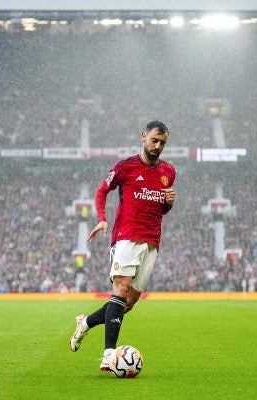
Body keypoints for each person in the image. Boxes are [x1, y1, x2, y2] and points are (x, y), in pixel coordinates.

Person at [69, 120, 176, 371]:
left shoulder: (169, 172)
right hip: (126, 236)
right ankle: (109, 355)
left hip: (152, 240)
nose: (158, 146)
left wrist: (169, 203)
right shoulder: (125, 167)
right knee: (121, 287)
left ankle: (85, 323)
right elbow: (101, 191)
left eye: (162, 143)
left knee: (128, 302)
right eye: (154, 140)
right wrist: (102, 219)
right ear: (143, 137)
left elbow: (160, 208)